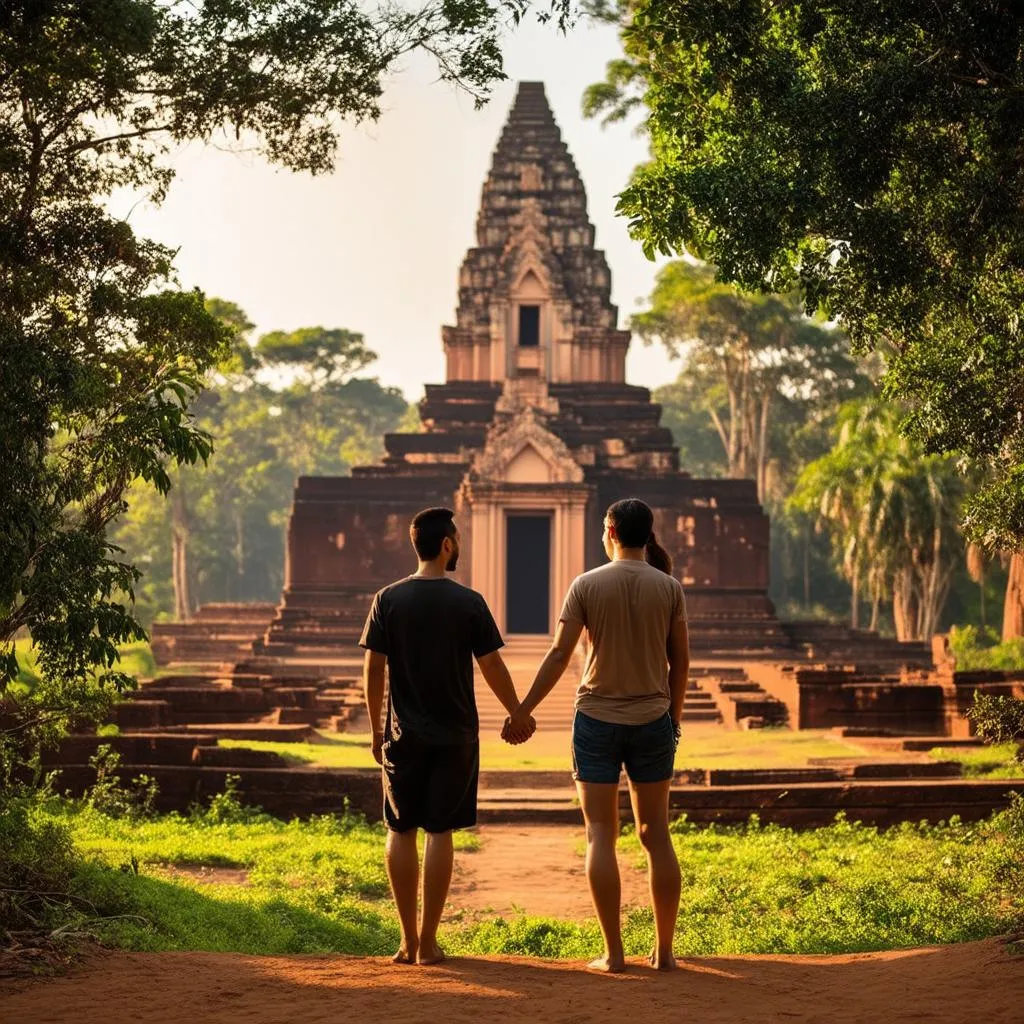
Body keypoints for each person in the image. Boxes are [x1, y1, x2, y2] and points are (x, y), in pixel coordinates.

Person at [505, 498, 690, 973]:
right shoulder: (669, 588)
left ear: (609, 529)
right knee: (657, 835)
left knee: (601, 834)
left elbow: (558, 654)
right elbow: (680, 662)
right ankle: (664, 951)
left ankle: (613, 953)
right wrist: (675, 718)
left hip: (597, 720)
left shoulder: (586, 585)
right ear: (648, 533)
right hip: (653, 718)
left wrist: (523, 709)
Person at [361, 506, 535, 966]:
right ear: (446, 545)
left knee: (400, 829)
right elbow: (492, 664)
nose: (459, 544)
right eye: (456, 539)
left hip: (402, 736)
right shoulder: (468, 602)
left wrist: (376, 729)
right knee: (440, 831)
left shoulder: (388, 599)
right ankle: (430, 941)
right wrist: (516, 711)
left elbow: (373, 668)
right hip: (456, 734)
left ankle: (406, 941)